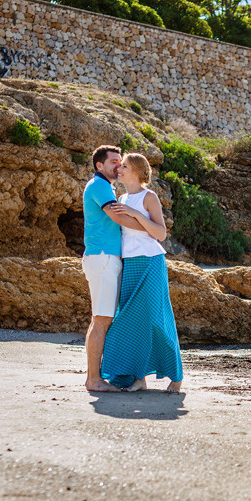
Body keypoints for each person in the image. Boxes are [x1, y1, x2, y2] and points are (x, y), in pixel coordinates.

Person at [100, 153, 184, 393]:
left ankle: (176, 376)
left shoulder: (149, 197)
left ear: (136, 172)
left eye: (124, 166)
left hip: (150, 261)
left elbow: (160, 233)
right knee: (129, 322)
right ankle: (139, 378)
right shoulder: (122, 197)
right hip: (130, 263)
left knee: (157, 320)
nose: (119, 169)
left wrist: (135, 213)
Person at [81, 144, 145, 393]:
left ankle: (99, 376)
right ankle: (94, 380)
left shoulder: (105, 186)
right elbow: (118, 217)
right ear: (100, 165)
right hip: (102, 259)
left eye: (121, 161)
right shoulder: (98, 186)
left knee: (102, 319)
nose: (118, 165)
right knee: (101, 320)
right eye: (113, 162)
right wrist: (151, 228)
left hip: (107, 259)